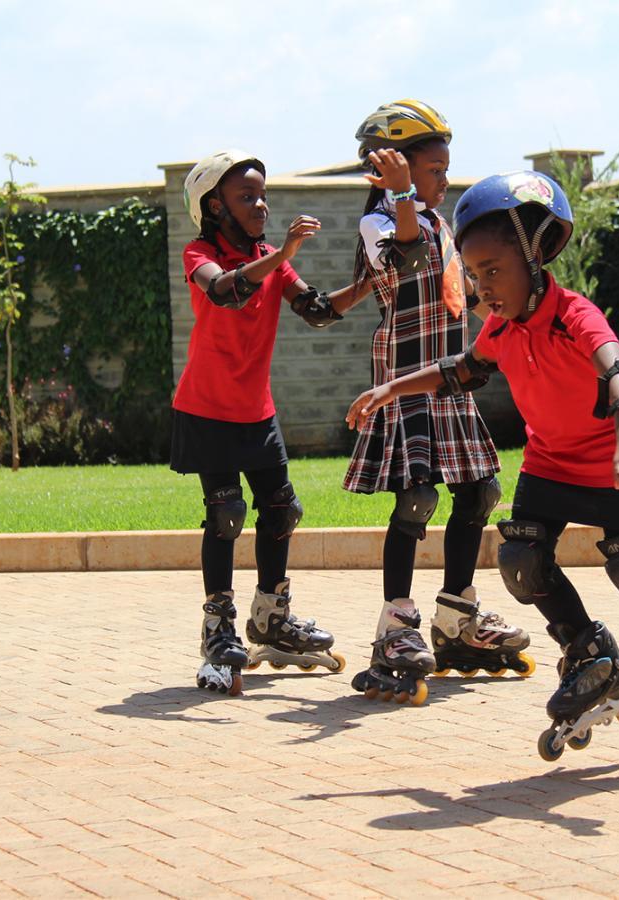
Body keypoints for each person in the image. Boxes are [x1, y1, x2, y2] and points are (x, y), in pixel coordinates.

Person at [346, 170, 619, 784]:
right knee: (521, 560)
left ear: (532, 255)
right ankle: (591, 655)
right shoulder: (501, 326)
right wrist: (392, 387)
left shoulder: (574, 315)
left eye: (493, 271)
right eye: (473, 275)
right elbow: (461, 370)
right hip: (550, 465)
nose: (482, 287)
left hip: (614, 463)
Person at [344, 101, 534, 707]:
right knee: (417, 496)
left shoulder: (439, 221)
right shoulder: (380, 222)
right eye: (432, 168)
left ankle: (455, 616)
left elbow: (465, 295)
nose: (443, 178)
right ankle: (396, 627)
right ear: (390, 167)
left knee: (478, 491)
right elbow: (405, 257)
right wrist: (402, 196)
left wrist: (524, 334)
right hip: (402, 379)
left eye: (445, 168)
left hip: (447, 378)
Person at [174, 149, 365, 695]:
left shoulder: (272, 257)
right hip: (207, 408)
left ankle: (271, 618)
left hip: (257, 410)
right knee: (226, 515)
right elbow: (226, 289)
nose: (260, 205)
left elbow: (317, 309)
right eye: (246, 197)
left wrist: (369, 284)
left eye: (263, 196)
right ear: (214, 206)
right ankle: (218, 629)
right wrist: (281, 252)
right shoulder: (199, 252)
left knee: (282, 508)